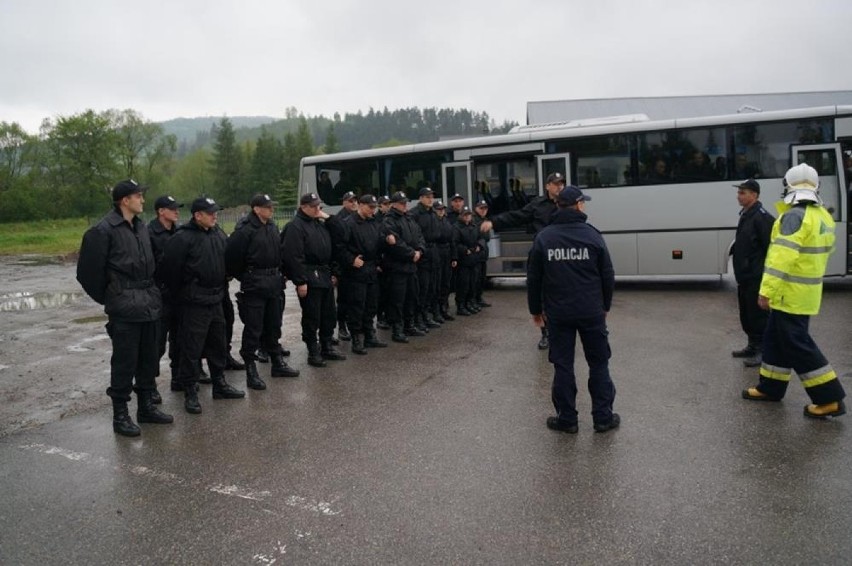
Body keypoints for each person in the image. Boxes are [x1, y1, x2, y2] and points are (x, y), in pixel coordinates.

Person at [742, 164, 846, 418]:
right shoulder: (822, 215)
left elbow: (780, 260)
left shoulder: (793, 216)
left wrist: (765, 291)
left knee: (797, 344)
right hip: (804, 292)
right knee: (774, 341)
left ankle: (830, 398)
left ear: (787, 186)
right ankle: (771, 388)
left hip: (789, 293)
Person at [76, 179, 174, 436]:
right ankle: (120, 416)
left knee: (148, 358)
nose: (142, 200)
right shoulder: (102, 231)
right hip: (125, 308)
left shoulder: (141, 228)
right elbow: (88, 275)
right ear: (125, 200)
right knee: (124, 362)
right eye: (138, 196)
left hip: (149, 302)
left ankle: (146, 408)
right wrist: (113, 296)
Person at [527, 184, 618, 434]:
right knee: (599, 363)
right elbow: (607, 275)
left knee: (563, 366)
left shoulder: (544, 237)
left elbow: (534, 279)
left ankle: (567, 419)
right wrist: (605, 306)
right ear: (578, 205)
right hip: (591, 312)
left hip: (559, 314)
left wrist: (536, 311)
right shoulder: (593, 235)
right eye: (583, 202)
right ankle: (603, 418)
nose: (584, 205)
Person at [160, 197, 245, 414]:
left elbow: (227, 259)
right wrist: (185, 294)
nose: (215, 216)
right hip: (193, 302)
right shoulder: (182, 238)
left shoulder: (217, 234)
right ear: (198, 215)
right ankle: (190, 392)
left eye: (215, 212)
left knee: (218, 343)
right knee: (191, 349)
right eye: (210, 213)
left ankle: (220, 384)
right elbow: (170, 272)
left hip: (216, 298)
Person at [480, 172, 567, 350]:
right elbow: (516, 216)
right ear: (547, 186)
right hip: (542, 255)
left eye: (562, 184)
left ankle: (563, 330)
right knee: (541, 296)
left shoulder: (568, 203)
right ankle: (545, 334)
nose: (559, 187)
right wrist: (494, 222)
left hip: (562, 256)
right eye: (556, 184)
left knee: (563, 295)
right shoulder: (538, 205)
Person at [226, 193, 299, 391]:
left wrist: (283, 273)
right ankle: (251, 369)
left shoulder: (272, 226)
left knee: (273, 324)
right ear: (256, 209)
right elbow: (233, 258)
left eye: (271, 207)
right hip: (255, 284)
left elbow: (279, 251)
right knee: (253, 328)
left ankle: (277, 363)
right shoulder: (245, 230)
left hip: (274, 282)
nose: (271, 210)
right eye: (267, 207)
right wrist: (247, 277)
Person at [281, 192, 347, 367]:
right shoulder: (295, 227)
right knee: (312, 316)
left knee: (328, 314)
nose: (318, 208)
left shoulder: (320, 223)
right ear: (303, 207)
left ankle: (327, 346)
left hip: (324, 273)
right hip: (309, 275)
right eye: (314, 206)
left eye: (319, 205)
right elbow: (292, 256)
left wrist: (327, 217)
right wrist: (300, 281)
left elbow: (342, 234)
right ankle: (313, 350)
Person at [730, 179, 775, 367]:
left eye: (743, 192)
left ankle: (763, 351)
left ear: (754, 195)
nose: (738, 196)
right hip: (745, 277)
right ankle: (752, 345)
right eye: (739, 192)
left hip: (756, 276)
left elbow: (770, 249)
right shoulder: (747, 214)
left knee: (758, 316)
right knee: (747, 315)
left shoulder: (762, 218)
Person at [335, 194, 387, 354]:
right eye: (370, 207)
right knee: (357, 306)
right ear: (360, 206)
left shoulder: (373, 222)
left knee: (371, 304)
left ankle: (370, 335)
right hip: (356, 271)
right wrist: (351, 260)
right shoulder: (348, 224)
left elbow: (378, 244)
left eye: (374, 208)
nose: (373, 210)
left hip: (371, 269)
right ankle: (356, 338)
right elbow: (338, 248)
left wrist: (378, 262)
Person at [148, 195, 183, 399]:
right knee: (156, 344)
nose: (177, 211)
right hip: (160, 295)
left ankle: (178, 377)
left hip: (179, 295)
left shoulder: (179, 232)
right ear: (161, 211)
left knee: (179, 340)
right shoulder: (148, 233)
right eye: (172, 208)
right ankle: (149, 385)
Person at [381, 191, 425, 342]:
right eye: (401, 203)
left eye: (405, 202)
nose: (404, 205)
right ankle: (397, 329)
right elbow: (395, 244)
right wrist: (411, 253)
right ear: (393, 204)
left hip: (411, 266)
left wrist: (420, 250)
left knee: (411, 297)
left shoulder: (409, 218)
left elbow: (419, 235)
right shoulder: (389, 220)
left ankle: (409, 325)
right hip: (397, 267)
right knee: (397, 300)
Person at [410, 186, 443, 329]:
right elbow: (414, 235)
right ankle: (418, 319)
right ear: (421, 198)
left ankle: (426, 316)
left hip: (434, 253)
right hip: (423, 254)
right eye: (428, 197)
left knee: (432, 288)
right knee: (422, 289)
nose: (431, 199)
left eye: (432, 197)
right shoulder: (415, 213)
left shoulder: (432, 213)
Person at [452, 206, 482, 316]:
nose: (467, 217)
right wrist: (464, 250)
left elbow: (480, 238)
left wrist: (479, 246)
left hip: (474, 259)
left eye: (469, 214)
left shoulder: (474, 226)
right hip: (463, 259)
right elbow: (455, 243)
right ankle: (461, 306)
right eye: (465, 215)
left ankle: (469, 303)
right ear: (461, 216)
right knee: (463, 284)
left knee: (472, 283)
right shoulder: (456, 227)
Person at [433, 199, 455, 321]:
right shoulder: (433, 222)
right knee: (437, 283)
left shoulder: (447, 222)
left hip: (447, 253)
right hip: (437, 252)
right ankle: (436, 310)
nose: (441, 211)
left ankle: (444, 307)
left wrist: (454, 256)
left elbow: (452, 240)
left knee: (446, 283)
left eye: (442, 209)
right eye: (439, 209)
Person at [472, 200, 492, 309]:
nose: (484, 210)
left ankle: (479, 298)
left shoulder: (484, 220)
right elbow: (477, 236)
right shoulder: (474, 220)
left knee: (481, 278)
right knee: (475, 279)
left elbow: (487, 237)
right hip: (476, 254)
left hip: (483, 253)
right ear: (476, 208)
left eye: (485, 208)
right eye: (481, 208)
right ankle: (474, 300)